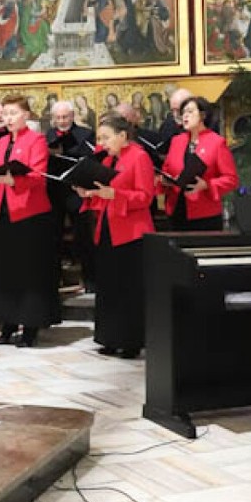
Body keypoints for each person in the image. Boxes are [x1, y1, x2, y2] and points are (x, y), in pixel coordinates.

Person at [0, 94, 60, 347]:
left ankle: (30, 327)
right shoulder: (1, 142)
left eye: (13, 113)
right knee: (4, 271)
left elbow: (38, 177)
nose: (8, 118)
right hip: (3, 212)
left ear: (26, 115)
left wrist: (11, 180)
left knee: (28, 271)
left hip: (30, 214)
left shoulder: (36, 140)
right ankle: (7, 324)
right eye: (5, 113)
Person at [76, 111, 155, 358]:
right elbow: (105, 193)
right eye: (99, 138)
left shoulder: (139, 157)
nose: (102, 143)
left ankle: (131, 341)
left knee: (129, 289)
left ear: (123, 135)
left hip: (132, 233)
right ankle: (109, 337)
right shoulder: (109, 160)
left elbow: (145, 197)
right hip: (108, 229)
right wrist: (90, 195)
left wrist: (116, 196)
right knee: (109, 287)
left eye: (107, 137)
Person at [160, 95, 239, 230]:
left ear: (202, 115)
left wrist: (207, 185)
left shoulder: (216, 142)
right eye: (183, 112)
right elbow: (166, 169)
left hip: (204, 213)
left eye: (190, 112)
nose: (185, 116)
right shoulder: (176, 141)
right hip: (176, 210)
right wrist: (166, 179)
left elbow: (231, 179)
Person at [45, 99, 96, 293]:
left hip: (76, 190)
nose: (62, 121)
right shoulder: (48, 135)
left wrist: (65, 152)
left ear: (73, 116)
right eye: (58, 117)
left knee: (83, 237)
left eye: (65, 116)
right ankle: (55, 280)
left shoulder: (85, 134)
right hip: (54, 191)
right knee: (53, 238)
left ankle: (90, 280)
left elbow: (89, 160)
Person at [154, 87, 193, 158]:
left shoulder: (206, 124)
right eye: (172, 110)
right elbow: (162, 153)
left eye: (178, 110)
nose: (175, 115)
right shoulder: (168, 125)